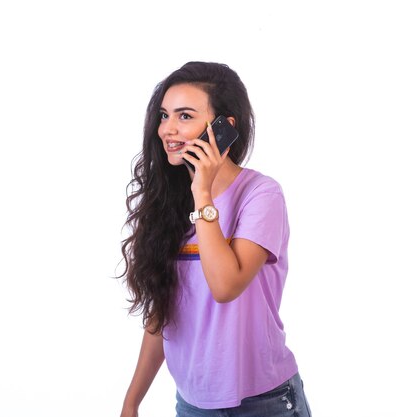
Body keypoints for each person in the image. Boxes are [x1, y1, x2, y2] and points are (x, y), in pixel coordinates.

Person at [119, 62, 311, 417]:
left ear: (224, 127)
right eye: (164, 116)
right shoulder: (168, 203)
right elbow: (163, 314)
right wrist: (132, 402)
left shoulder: (261, 195)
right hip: (193, 403)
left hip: (262, 402)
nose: (168, 129)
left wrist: (203, 194)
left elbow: (225, 286)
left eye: (185, 116)